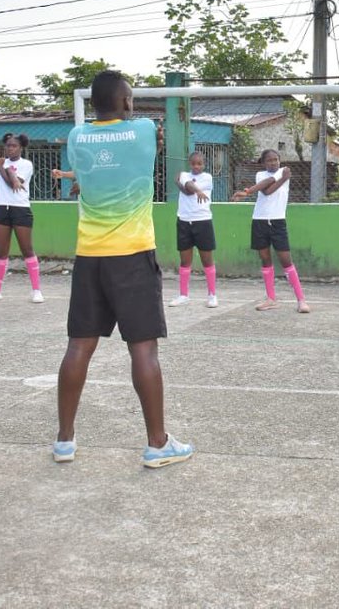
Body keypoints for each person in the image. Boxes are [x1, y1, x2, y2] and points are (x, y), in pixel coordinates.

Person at [55, 69, 192, 468]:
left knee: (79, 345)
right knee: (143, 349)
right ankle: (157, 443)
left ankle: (65, 440)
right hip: (132, 254)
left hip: (90, 255)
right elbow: (150, 136)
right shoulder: (144, 130)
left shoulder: (77, 137)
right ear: (127, 102)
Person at [232, 149, 311, 313]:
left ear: (280, 161)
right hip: (259, 221)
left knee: (286, 260)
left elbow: (271, 187)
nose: (273, 163)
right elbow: (267, 190)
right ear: (263, 162)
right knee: (265, 259)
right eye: (269, 160)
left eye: (275, 159)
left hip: (277, 222)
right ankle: (271, 299)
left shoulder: (284, 170)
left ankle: (301, 300)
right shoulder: (261, 175)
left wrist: (282, 177)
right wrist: (250, 192)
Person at [0, 133, 44, 304]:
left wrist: (0, 168)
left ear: (21, 148)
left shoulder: (26, 164)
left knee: (26, 249)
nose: (10, 148)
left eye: (14, 145)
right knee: (1, 251)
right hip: (2, 208)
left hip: (20, 209)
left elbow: (14, 184)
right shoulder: (4, 162)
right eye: (8, 145)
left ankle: (36, 290)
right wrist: (2, 166)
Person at [170, 151, 218, 308]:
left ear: (204, 164)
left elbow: (188, 189)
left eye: (200, 163)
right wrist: (185, 186)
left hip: (202, 221)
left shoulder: (208, 178)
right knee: (185, 260)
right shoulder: (184, 174)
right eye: (193, 163)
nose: (196, 166)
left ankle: (212, 295)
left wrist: (182, 184)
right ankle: (183, 295)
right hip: (184, 221)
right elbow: (187, 188)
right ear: (189, 164)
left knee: (207, 260)